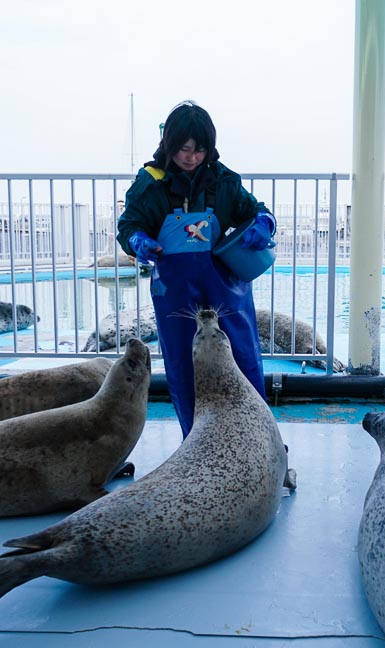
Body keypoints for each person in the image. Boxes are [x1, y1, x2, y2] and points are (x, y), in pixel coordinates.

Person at [117, 100, 276, 437]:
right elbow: (128, 226)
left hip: (224, 284)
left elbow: (255, 209)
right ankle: (196, 439)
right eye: (183, 149)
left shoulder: (223, 181)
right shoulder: (151, 183)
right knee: (181, 362)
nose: (190, 157)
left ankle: (258, 437)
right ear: (168, 145)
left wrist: (264, 222)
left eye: (199, 150)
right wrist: (139, 242)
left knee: (244, 357)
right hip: (175, 288)